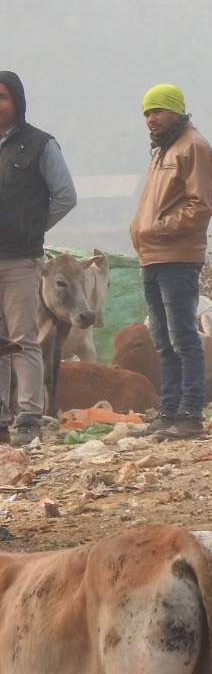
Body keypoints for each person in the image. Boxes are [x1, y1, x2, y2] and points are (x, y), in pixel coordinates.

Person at [129, 84, 212, 441]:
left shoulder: (193, 147)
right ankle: (169, 411)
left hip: (176, 256)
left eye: (158, 112)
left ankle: (191, 413)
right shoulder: (163, 149)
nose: (151, 119)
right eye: (147, 113)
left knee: (183, 337)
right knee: (162, 338)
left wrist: (160, 229)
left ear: (176, 111)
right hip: (152, 255)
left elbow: (201, 205)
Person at [0, 72, 77, 448]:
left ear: (17, 101)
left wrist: (31, 229)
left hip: (19, 259)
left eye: (3, 97)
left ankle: (29, 418)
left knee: (22, 339)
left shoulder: (40, 145)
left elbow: (64, 196)